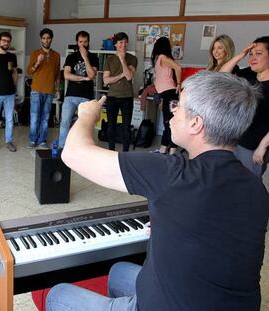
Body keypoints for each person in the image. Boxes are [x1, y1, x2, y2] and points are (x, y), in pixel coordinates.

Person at [46, 71, 269, 311]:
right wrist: (170, 226)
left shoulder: (171, 172)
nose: (172, 110)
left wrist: (87, 117)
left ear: (196, 123)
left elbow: (74, 154)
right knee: (119, 272)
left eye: (179, 105)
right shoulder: (256, 187)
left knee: (57, 294)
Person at [221, 36, 269, 177]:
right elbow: (221, 76)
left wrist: (262, 146)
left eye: (258, 53)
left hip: (254, 144)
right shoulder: (249, 74)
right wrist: (240, 55)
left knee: (249, 181)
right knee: (231, 177)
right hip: (236, 138)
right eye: (251, 54)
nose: (252, 58)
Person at [58, 30, 98, 149]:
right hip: (70, 95)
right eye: (81, 42)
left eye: (85, 42)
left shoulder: (93, 57)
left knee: (85, 124)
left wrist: (85, 57)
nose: (83, 44)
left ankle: (82, 148)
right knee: (65, 122)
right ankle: (62, 147)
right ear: (77, 42)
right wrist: (83, 78)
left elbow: (92, 75)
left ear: (88, 42)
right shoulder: (71, 57)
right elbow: (66, 75)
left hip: (86, 96)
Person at [103, 32, 137, 152]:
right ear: (115, 44)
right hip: (112, 97)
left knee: (126, 127)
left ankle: (125, 153)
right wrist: (121, 74)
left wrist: (123, 60)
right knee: (111, 126)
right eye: (121, 42)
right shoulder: (110, 59)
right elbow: (106, 80)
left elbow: (129, 77)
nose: (124, 45)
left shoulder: (132, 58)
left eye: (125, 42)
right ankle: (111, 150)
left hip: (127, 96)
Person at [27, 28, 60, 149]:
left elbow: (57, 74)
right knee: (35, 117)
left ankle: (42, 140)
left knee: (45, 118)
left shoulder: (56, 55)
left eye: (48, 38)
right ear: (41, 39)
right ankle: (32, 140)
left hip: (49, 91)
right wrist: (37, 62)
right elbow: (29, 71)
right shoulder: (35, 53)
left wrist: (57, 89)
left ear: (51, 39)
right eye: (44, 38)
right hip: (36, 90)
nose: (46, 40)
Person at [151, 37, 182, 155]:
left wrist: (178, 84)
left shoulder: (162, 58)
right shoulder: (160, 58)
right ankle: (164, 148)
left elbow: (178, 68)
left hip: (170, 94)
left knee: (170, 124)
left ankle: (171, 151)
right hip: (166, 94)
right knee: (168, 123)